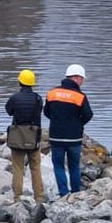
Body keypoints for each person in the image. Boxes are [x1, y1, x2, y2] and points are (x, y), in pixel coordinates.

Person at [45, 64, 94, 196]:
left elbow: (46, 112)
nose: (82, 82)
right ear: (76, 78)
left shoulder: (52, 93)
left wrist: (57, 120)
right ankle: (76, 193)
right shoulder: (80, 96)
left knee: (58, 166)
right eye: (82, 78)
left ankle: (63, 193)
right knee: (74, 166)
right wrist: (78, 124)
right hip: (74, 138)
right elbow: (88, 115)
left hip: (56, 137)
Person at [3, 69, 46, 202]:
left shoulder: (14, 98)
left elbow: (9, 111)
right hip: (34, 138)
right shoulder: (38, 98)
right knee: (35, 167)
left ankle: (17, 197)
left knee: (17, 167)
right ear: (32, 83)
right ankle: (38, 197)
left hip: (17, 137)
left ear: (20, 81)